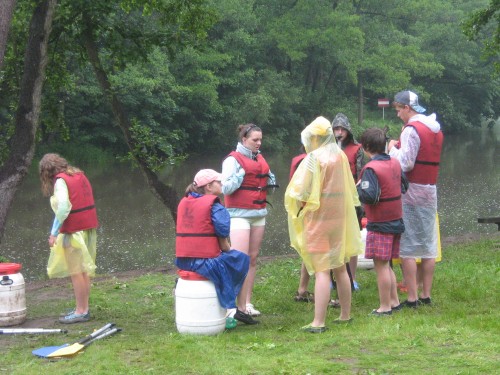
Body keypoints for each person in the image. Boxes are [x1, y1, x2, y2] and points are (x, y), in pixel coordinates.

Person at [285, 116, 362, 333]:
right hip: (338, 219)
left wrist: (299, 207)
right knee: (340, 266)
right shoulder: (340, 157)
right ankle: (345, 315)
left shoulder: (313, 159)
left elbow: (300, 190)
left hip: (318, 220)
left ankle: (318, 322)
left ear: (316, 138)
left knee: (321, 270)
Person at [388, 90, 443, 308]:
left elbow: (406, 163)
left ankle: (411, 298)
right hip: (430, 190)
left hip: (410, 191)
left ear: (408, 108)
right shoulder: (435, 128)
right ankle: (426, 295)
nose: (398, 114)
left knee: (408, 247)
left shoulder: (411, 130)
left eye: (399, 109)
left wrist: (393, 149)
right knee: (429, 245)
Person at [174, 169, 252, 325]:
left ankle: (234, 307)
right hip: (206, 262)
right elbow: (224, 246)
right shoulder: (215, 206)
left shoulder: (184, 202)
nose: (222, 184)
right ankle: (237, 308)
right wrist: (230, 251)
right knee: (241, 259)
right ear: (209, 186)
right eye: (219, 182)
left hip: (183, 261)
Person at [222, 124, 277, 319]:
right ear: (244, 139)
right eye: (255, 140)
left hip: (258, 214)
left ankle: (245, 304)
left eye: (260, 139)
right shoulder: (232, 160)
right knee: (239, 261)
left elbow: (268, 188)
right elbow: (225, 188)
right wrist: (240, 175)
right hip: (238, 215)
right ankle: (231, 307)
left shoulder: (260, 159)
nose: (259, 143)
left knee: (252, 259)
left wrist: (270, 181)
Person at [39, 153, 98, 324]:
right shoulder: (78, 174)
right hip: (87, 228)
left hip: (74, 232)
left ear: (47, 172)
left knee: (76, 272)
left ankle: (81, 311)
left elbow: (64, 207)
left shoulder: (60, 181)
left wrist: (54, 232)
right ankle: (83, 308)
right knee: (83, 271)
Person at [356, 128, 408, 315]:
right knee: (388, 264)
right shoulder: (394, 162)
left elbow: (369, 197)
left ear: (366, 147)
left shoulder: (370, 169)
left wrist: (359, 188)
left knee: (381, 265)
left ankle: (384, 307)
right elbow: (404, 185)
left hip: (380, 223)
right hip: (396, 220)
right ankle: (394, 302)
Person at [332, 113, 365, 291]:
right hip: (332, 200)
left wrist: (360, 203)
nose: (339, 132)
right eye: (336, 129)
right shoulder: (327, 148)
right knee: (334, 241)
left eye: (342, 129)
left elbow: (361, 175)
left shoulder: (357, 149)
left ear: (348, 131)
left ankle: (351, 278)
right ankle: (332, 278)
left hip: (352, 200)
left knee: (352, 240)